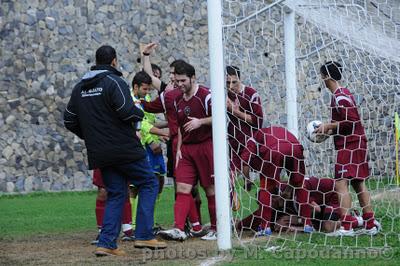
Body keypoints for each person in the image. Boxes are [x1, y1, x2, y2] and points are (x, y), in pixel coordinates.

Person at [64, 45, 166, 256]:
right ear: (114, 62)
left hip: (99, 151)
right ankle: (145, 235)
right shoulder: (114, 81)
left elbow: (69, 119)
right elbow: (125, 111)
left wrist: (91, 136)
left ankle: (107, 243)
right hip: (124, 147)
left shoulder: (79, 88)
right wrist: (140, 115)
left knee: (117, 193)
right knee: (149, 182)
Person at [141, 43, 204, 232]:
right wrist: (145, 55)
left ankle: (202, 225)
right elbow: (148, 77)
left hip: (197, 143)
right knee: (184, 186)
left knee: (199, 188)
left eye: (174, 74)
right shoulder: (168, 93)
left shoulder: (191, 93)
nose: (171, 78)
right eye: (170, 75)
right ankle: (189, 225)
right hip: (176, 144)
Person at [315, 61, 380, 236]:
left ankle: (346, 226)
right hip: (355, 142)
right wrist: (327, 131)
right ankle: (370, 223)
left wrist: (328, 125)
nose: (321, 79)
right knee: (358, 183)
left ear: (326, 76)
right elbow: (345, 123)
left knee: (340, 183)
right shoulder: (342, 94)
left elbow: (350, 121)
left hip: (350, 145)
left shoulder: (340, 96)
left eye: (321, 75)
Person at [159, 61, 216, 241]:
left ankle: (216, 228)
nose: (180, 84)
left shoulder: (206, 95)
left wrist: (201, 121)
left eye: (183, 80)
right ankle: (178, 229)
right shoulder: (176, 99)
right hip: (186, 150)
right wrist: (178, 150)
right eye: (177, 81)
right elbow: (181, 127)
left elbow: (221, 117)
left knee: (210, 190)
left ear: (193, 78)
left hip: (206, 146)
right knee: (183, 188)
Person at [238, 126, 313, 236]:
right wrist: (288, 190)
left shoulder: (252, 140)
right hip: (296, 147)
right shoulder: (273, 132)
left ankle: (265, 228)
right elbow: (294, 180)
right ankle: (307, 224)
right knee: (300, 184)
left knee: (265, 188)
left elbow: (244, 162)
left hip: (274, 150)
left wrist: (247, 180)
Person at [131, 70, 169, 231]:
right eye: (145, 89)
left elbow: (149, 121)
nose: (148, 93)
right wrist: (157, 136)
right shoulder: (131, 100)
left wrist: (166, 129)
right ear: (136, 86)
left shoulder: (144, 98)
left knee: (159, 181)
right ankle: (133, 225)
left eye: (149, 89)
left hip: (152, 144)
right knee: (136, 186)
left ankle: (149, 221)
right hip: (140, 147)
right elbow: (141, 125)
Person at [225, 66, 264, 210]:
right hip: (233, 138)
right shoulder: (224, 95)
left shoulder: (251, 94)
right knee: (228, 173)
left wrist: (236, 112)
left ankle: (248, 180)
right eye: (227, 83)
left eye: (234, 82)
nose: (230, 86)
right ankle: (232, 199)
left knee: (245, 161)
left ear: (239, 79)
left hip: (250, 137)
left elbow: (258, 121)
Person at [91, 169, 134, 245]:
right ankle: (102, 233)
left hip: (121, 159)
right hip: (101, 160)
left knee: (125, 190)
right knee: (102, 192)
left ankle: (128, 231)